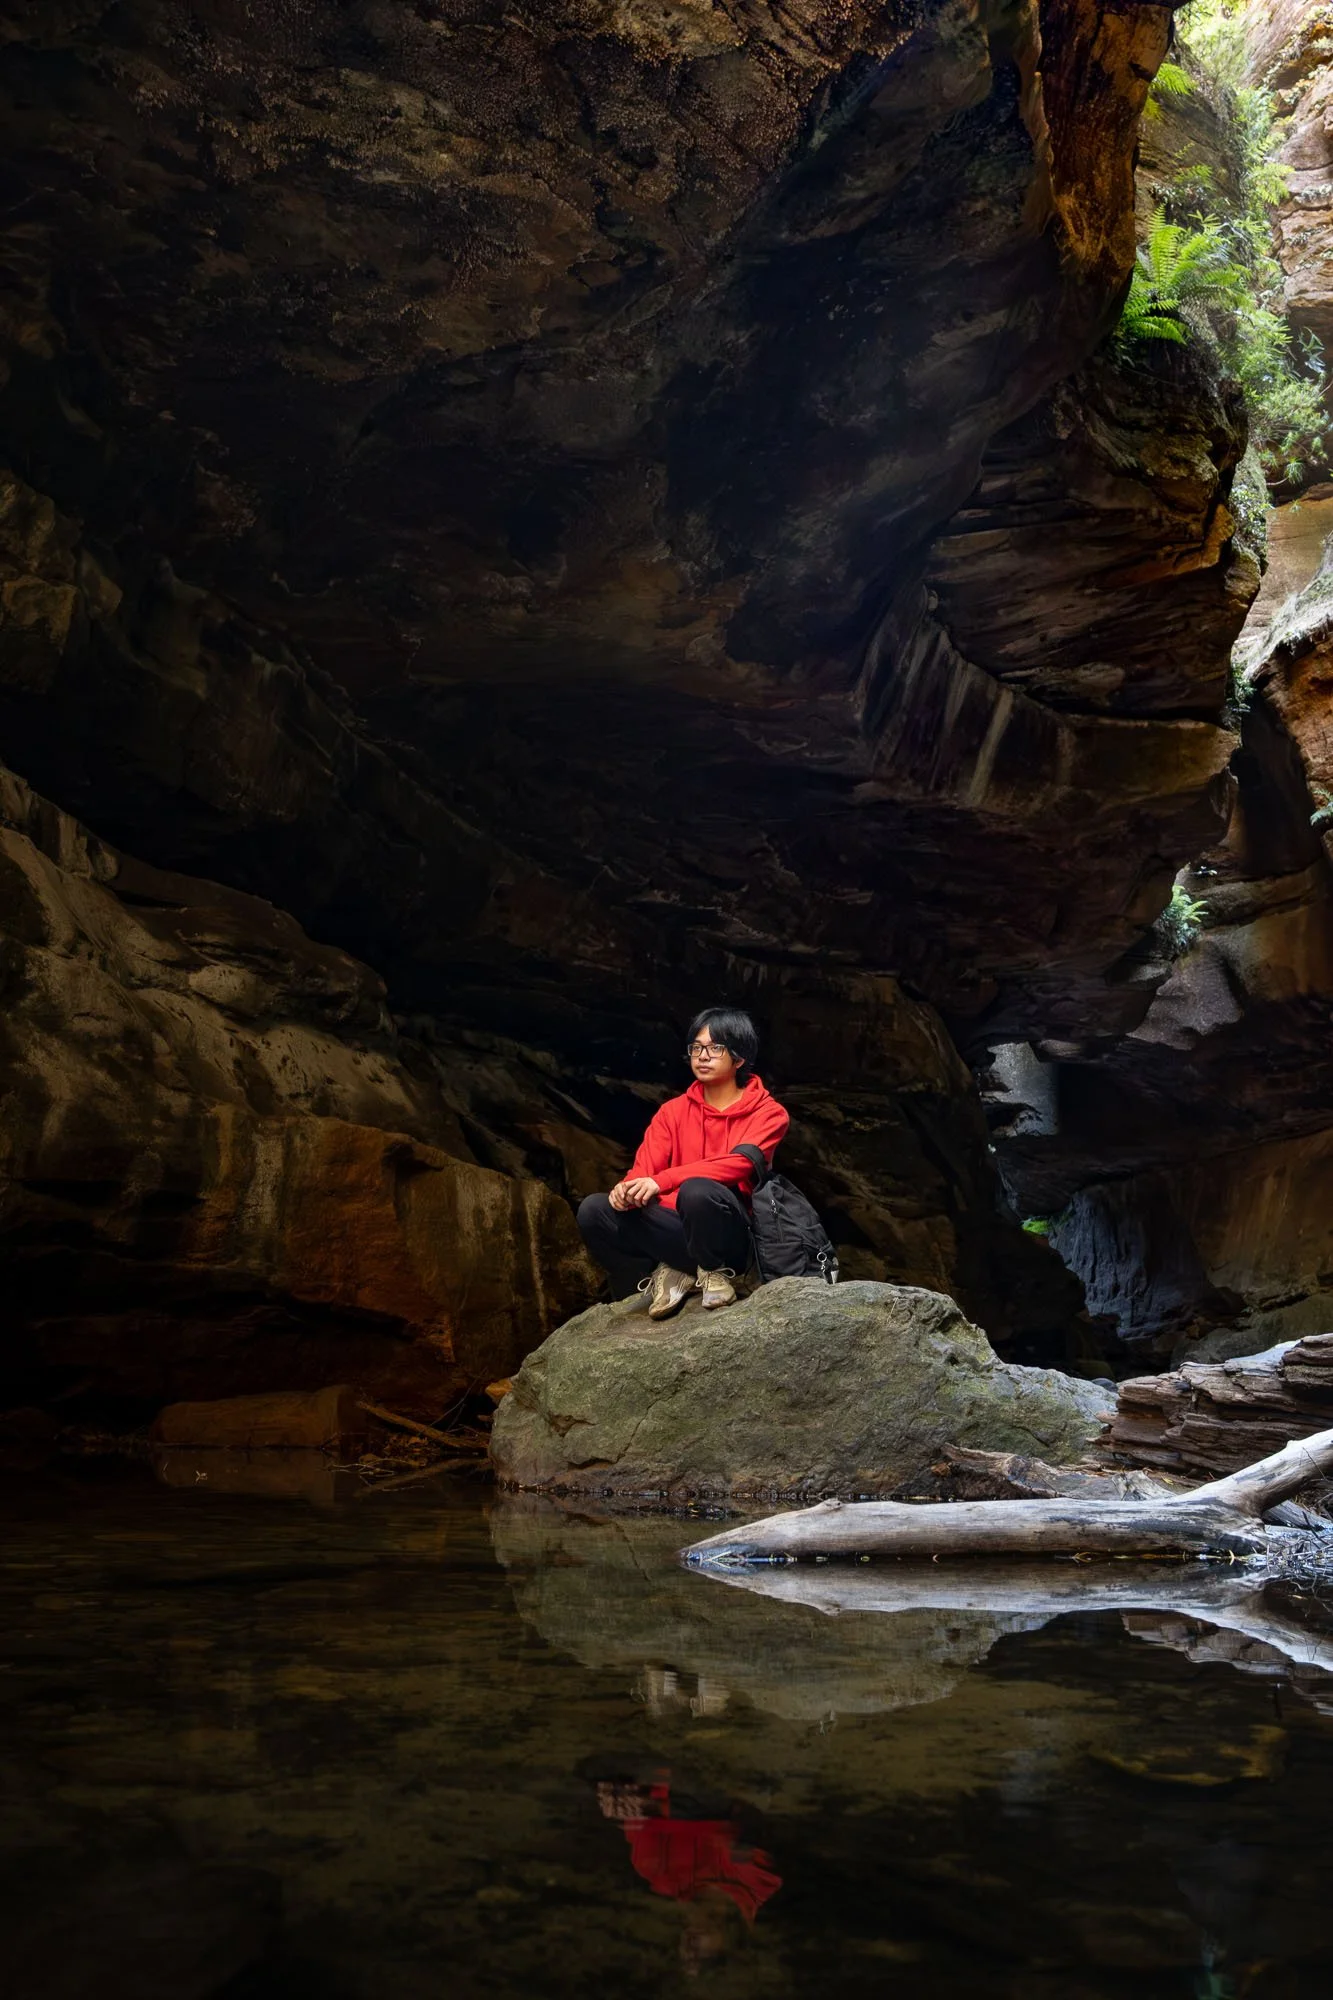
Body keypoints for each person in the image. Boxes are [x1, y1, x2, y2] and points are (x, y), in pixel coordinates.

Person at [577, 1007, 789, 1318]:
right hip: (675, 1229)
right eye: (696, 1048)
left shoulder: (769, 1113)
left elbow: (739, 1165)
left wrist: (662, 1181)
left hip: (730, 1235)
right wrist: (626, 1190)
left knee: (697, 1191)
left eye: (716, 1047)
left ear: (739, 1058)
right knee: (594, 1211)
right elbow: (643, 1170)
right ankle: (661, 1279)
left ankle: (712, 1270)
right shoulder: (672, 1112)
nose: (703, 1056)